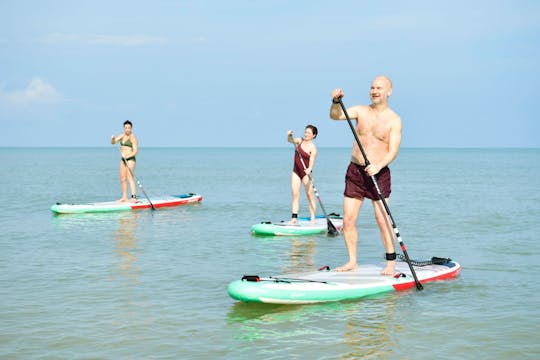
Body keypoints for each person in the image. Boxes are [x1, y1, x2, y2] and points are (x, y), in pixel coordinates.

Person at [329, 76, 402, 275]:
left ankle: (390, 262)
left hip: (378, 173)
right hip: (355, 171)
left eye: (379, 87)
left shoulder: (394, 120)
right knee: (349, 220)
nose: (374, 91)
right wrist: (335, 102)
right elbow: (335, 116)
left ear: (389, 91)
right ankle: (352, 261)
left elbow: (393, 150)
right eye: (372, 87)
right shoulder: (361, 111)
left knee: (382, 219)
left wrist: (378, 166)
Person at [287, 125, 318, 224]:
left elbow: (311, 162)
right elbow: (290, 140)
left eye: (309, 133)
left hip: (306, 174)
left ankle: (313, 217)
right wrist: (289, 135)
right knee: (295, 195)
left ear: (314, 135)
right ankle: (294, 218)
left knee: (310, 195)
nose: (306, 134)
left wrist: (309, 169)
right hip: (296, 172)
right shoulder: (299, 141)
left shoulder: (313, 148)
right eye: (305, 132)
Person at [111, 120, 138, 202]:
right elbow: (113, 142)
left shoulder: (133, 138)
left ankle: (134, 197)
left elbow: (135, 151)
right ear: (124, 128)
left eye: (129, 128)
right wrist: (112, 139)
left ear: (131, 128)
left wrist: (127, 156)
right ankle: (124, 197)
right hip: (123, 160)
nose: (127, 129)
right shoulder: (122, 136)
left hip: (130, 159)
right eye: (126, 128)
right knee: (122, 178)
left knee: (129, 177)